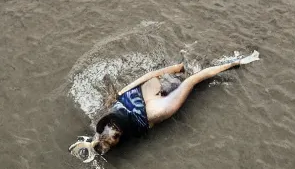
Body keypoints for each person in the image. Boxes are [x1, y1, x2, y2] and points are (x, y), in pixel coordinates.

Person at [69, 51, 259, 162]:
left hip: (169, 86)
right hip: (158, 93)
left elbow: (193, 79)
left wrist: (237, 62)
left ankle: (179, 72)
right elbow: (153, 78)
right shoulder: (142, 113)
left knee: (187, 77)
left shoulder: (155, 110)